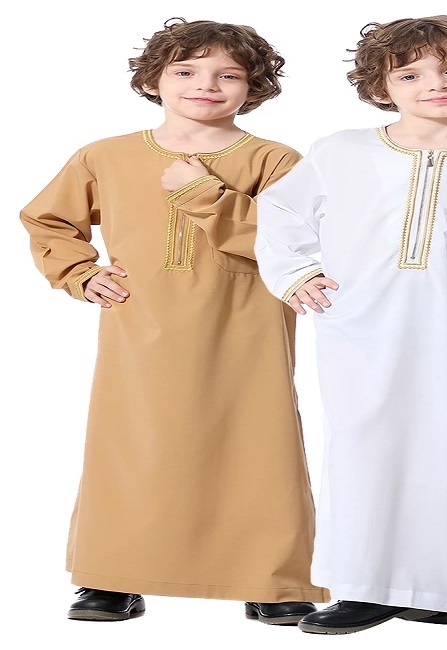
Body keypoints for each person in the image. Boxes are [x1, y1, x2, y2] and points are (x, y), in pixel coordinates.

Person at [20, 18, 328, 624]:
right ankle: (111, 577)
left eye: (227, 75)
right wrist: (80, 272)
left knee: (256, 446)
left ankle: (272, 580)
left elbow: (293, 240)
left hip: (245, 329)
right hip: (141, 329)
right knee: (132, 445)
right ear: (153, 80)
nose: (205, 85)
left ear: (253, 86)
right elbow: (48, 220)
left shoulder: (275, 159)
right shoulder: (105, 156)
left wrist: (202, 193)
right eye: (186, 71)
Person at [254, 15, 447, 635]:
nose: (435, 84)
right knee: (363, 453)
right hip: (359, 331)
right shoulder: (341, 151)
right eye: (410, 75)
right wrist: (298, 273)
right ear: (381, 85)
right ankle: (362, 588)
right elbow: (280, 214)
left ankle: (446, 590)